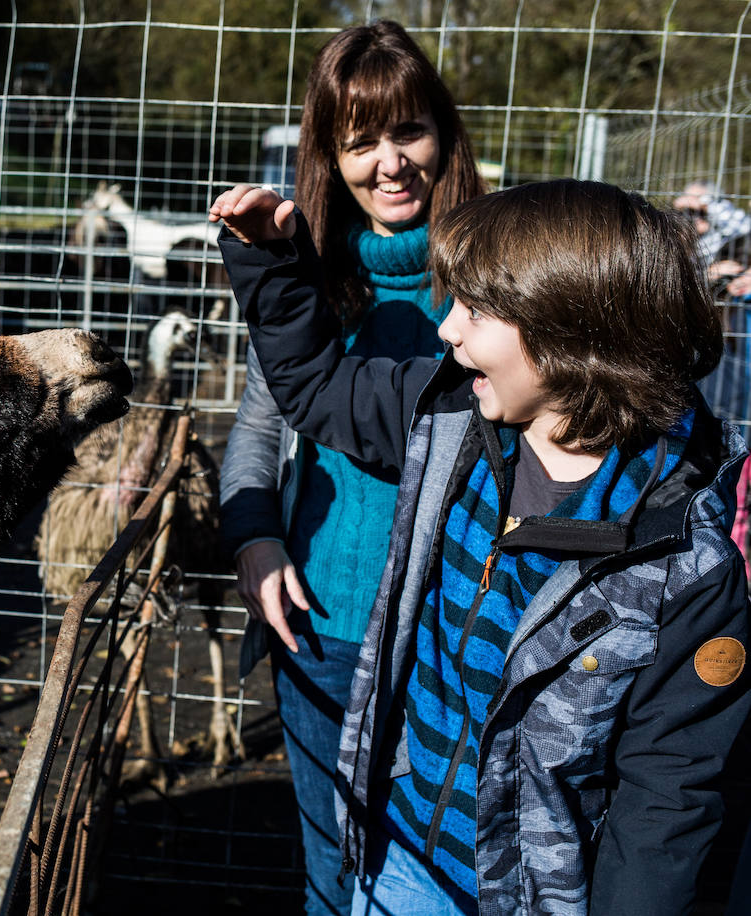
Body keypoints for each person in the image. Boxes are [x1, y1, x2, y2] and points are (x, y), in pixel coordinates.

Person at [211, 177, 751, 914]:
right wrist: (272, 263)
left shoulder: (680, 565)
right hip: (403, 849)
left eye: (476, 310)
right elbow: (317, 388)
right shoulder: (454, 418)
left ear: (570, 334)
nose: (447, 330)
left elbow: (668, 803)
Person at [217, 20, 486, 915]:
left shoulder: (498, 273)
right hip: (323, 622)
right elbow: (258, 427)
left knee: (447, 870)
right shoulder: (308, 279)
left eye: (407, 130)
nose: (390, 163)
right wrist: (254, 537)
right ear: (330, 158)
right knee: (333, 865)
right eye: (360, 141)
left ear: (443, 134)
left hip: (457, 633)